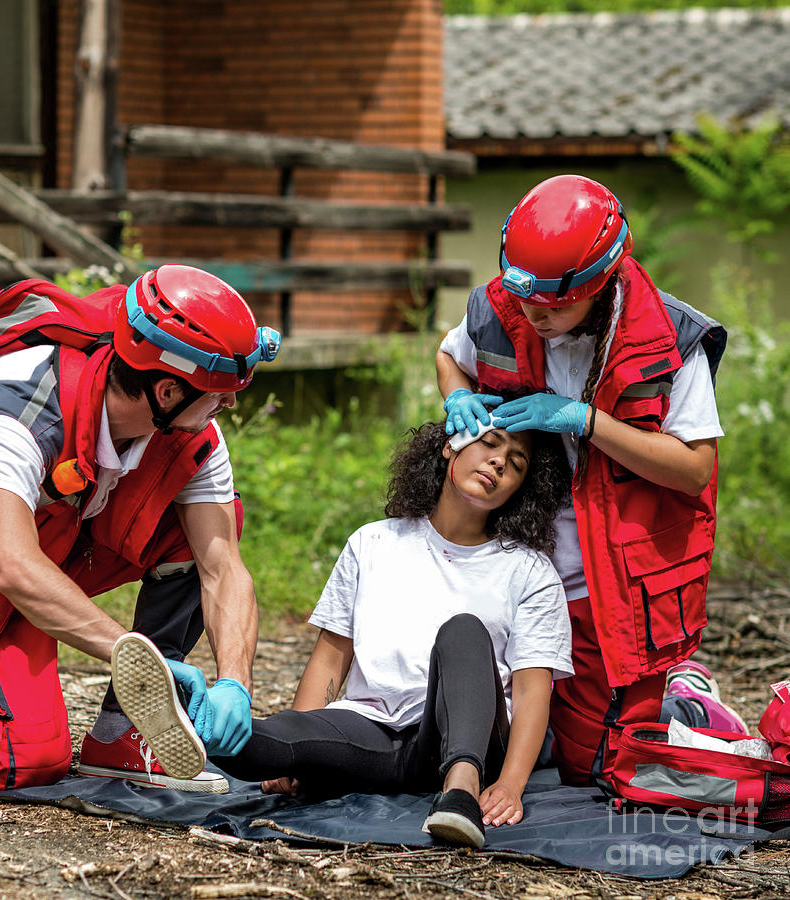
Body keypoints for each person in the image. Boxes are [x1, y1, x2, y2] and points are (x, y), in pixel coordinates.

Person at [0, 264, 280, 793]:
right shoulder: (14, 413)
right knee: (21, 762)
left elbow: (222, 565)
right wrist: (134, 654)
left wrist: (236, 678)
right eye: (220, 392)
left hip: (44, 548)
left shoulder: (189, 430)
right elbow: (14, 567)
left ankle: (125, 732)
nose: (231, 404)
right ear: (166, 392)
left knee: (198, 528)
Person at [435, 174, 742, 789]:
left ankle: (685, 701)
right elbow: (451, 355)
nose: (534, 317)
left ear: (599, 286)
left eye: (554, 307)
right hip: (518, 558)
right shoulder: (504, 306)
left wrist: (585, 421)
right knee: (489, 732)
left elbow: (694, 469)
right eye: (526, 302)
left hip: (614, 584)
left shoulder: (670, 340)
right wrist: (458, 399)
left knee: (592, 767)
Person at [200, 417, 575, 848]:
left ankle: (459, 795)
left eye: (516, 463)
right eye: (489, 444)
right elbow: (331, 655)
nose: (498, 462)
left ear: (520, 488)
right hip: (371, 733)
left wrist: (509, 785)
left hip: (464, 740)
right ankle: (197, 725)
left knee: (464, 631)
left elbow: (532, 692)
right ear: (450, 446)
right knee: (275, 740)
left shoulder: (530, 571)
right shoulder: (373, 543)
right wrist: (298, 748)